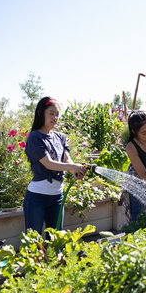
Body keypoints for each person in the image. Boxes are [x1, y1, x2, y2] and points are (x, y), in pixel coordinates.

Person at [23, 97, 86, 237]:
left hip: (57, 197)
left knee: (56, 242)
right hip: (37, 197)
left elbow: (67, 159)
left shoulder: (60, 137)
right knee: (34, 244)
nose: (55, 117)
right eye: (51, 113)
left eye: (57, 114)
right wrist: (73, 166)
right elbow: (48, 163)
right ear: (41, 113)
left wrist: (75, 170)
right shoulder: (35, 137)